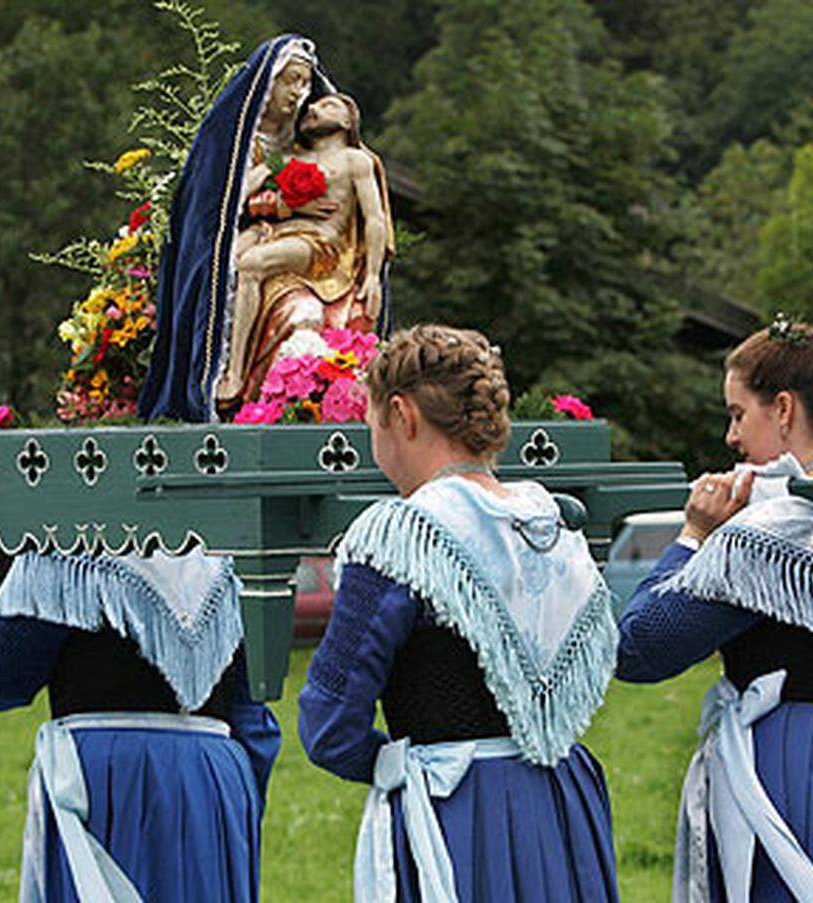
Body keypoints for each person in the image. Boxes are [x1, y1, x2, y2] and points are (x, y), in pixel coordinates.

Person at [299, 325, 620, 901]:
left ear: (402, 414)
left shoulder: (400, 532)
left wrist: (397, 765)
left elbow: (329, 722)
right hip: (562, 804)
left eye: (370, 421)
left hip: (458, 809)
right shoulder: (549, 522)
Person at [617, 318, 813, 901]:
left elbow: (642, 646)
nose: (731, 437)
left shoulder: (775, 530)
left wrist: (693, 535)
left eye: (737, 413)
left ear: (783, 409)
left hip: (793, 770)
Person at [0, 546, 281, 902]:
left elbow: (1, 682)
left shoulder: (66, 550)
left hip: (106, 775)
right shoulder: (226, 556)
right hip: (210, 779)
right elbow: (251, 717)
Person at [137, 35, 340, 422]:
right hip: (248, 232)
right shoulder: (231, 134)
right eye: (290, 80)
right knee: (236, 264)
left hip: (302, 236)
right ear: (270, 81)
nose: (298, 92)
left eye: (303, 82)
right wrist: (268, 178)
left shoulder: (308, 136)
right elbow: (217, 203)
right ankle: (232, 379)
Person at [218, 93, 393, 404]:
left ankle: (234, 375)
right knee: (225, 259)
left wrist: (374, 275)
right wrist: (279, 198)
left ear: (347, 121)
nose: (312, 108)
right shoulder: (291, 158)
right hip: (280, 233)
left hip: (323, 245)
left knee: (252, 263)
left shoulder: (355, 160)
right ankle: (222, 361)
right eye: (312, 106)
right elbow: (242, 197)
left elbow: (375, 219)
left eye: (327, 106)